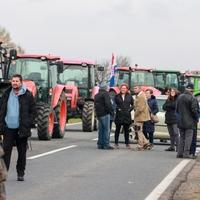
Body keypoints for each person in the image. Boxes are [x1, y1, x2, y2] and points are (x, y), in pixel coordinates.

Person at [0, 74, 35, 181]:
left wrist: (28, 123)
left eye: (17, 81)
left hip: (22, 129)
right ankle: (3, 174)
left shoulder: (27, 95)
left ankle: (20, 173)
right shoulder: (6, 94)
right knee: (5, 153)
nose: (14, 83)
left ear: (21, 82)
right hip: (8, 128)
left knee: (21, 153)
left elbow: (33, 112)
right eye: (13, 81)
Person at [176, 83, 199, 159]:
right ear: (192, 90)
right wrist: (196, 119)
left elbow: (177, 110)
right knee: (188, 138)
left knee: (182, 138)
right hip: (190, 122)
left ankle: (180, 153)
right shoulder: (193, 98)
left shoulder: (180, 97)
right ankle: (186, 153)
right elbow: (194, 111)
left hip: (181, 121)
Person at [94, 82, 114, 150]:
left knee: (101, 130)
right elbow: (108, 104)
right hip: (105, 114)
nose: (108, 88)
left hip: (99, 114)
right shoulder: (105, 94)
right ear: (105, 88)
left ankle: (100, 144)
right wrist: (111, 112)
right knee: (106, 130)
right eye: (108, 87)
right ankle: (106, 144)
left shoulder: (96, 95)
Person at [114, 83, 134, 149]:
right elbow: (114, 104)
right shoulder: (117, 96)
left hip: (126, 115)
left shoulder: (129, 96)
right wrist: (117, 108)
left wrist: (129, 110)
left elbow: (133, 104)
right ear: (120, 89)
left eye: (124, 88)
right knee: (117, 130)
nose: (123, 89)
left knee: (126, 131)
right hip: (119, 115)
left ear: (127, 89)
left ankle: (127, 143)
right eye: (122, 88)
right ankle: (116, 143)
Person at [133, 85, 151, 150]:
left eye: (136, 88)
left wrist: (135, 114)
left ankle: (141, 145)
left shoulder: (141, 96)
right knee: (139, 130)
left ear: (140, 89)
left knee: (138, 130)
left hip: (140, 116)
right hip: (140, 116)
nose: (134, 89)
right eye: (134, 88)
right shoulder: (140, 95)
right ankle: (146, 142)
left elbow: (140, 108)